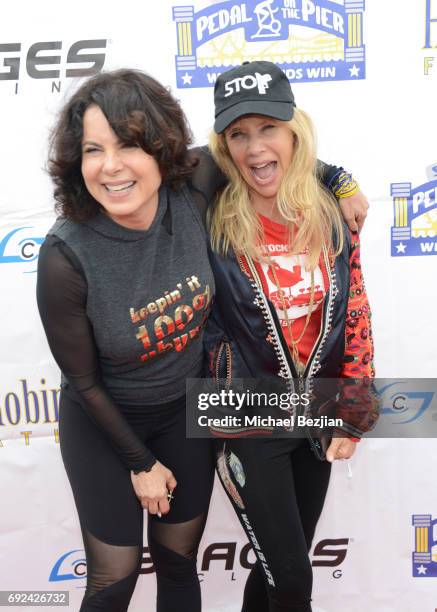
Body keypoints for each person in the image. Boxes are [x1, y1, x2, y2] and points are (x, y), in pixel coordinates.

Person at [36, 68, 369, 612]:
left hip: (188, 413)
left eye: (128, 145)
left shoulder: (191, 190)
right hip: (104, 421)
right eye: (94, 149)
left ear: (161, 151)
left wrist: (343, 180)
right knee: (114, 577)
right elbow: (83, 380)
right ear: (77, 160)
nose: (112, 165)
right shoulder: (64, 256)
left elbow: (276, 150)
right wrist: (140, 463)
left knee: (177, 563)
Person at [204, 61, 376, 612]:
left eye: (268, 128)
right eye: (239, 134)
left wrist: (354, 410)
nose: (255, 150)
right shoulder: (206, 215)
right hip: (245, 415)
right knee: (294, 582)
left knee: (281, 569)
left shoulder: (329, 216)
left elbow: (356, 314)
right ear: (223, 145)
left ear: (294, 131)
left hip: (317, 411)